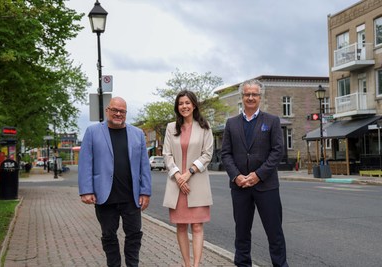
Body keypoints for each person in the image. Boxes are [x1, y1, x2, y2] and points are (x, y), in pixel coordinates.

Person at [221, 79, 289, 267]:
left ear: (260, 97)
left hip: (266, 186)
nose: (250, 97)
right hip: (240, 187)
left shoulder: (272, 121)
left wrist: (258, 175)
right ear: (242, 97)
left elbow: (277, 151)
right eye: (247, 94)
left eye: (254, 94)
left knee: (274, 233)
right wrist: (236, 176)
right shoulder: (231, 123)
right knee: (241, 233)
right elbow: (225, 153)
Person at [78, 96, 152, 267]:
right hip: (105, 196)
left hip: (131, 197)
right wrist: (86, 190)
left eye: (122, 111)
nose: (118, 114)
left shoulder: (138, 134)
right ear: (107, 111)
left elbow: (144, 166)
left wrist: (145, 191)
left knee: (134, 235)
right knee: (109, 236)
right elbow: (85, 163)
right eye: (115, 110)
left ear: (125, 113)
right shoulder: (92, 132)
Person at [162, 90, 214, 267]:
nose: (184, 106)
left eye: (187, 103)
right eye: (181, 103)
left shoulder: (205, 126)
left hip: (196, 182)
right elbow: (166, 154)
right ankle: (187, 264)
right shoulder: (171, 127)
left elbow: (207, 154)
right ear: (177, 107)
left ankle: (196, 265)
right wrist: (178, 176)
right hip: (177, 185)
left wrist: (188, 172)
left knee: (197, 226)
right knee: (182, 226)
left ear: (194, 105)